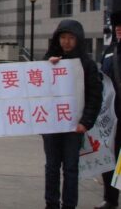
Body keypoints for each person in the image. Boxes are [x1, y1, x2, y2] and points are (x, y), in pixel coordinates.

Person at [43, 19, 102, 209]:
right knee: (51, 167)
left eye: (70, 38)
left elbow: (95, 96)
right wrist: (48, 66)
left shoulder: (87, 65)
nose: (66, 42)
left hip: (73, 127)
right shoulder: (49, 60)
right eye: (63, 38)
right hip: (52, 126)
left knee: (70, 168)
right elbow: (36, 90)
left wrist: (85, 122)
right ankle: (51, 204)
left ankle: (69, 205)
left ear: (78, 40)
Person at [96, 11, 121, 209]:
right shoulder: (110, 52)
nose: (118, 30)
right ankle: (110, 199)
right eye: (116, 27)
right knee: (109, 159)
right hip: (112, 117)